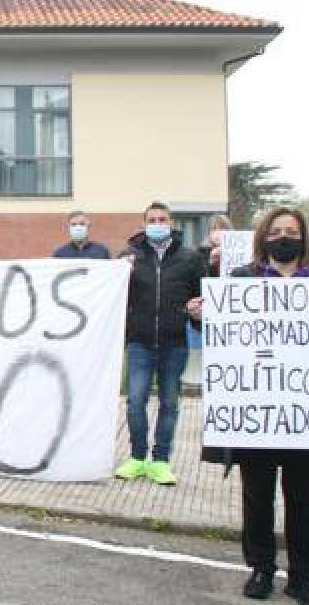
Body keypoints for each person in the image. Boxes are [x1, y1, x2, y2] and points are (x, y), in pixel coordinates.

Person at [195, 207, 309, 605]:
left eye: (292, 231)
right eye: (277, 231)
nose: (284, 237)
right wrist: (200, 315)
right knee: (257, 496)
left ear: (304, 238)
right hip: (256, 414)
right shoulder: (243, 280)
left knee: (303, 500)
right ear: (264, 237)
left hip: (302, 415)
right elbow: (222, 332)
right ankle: (261, 568)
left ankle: (302, 576)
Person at [113, 201, 205, 486]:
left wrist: (196, 315)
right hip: (139, 342)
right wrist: (120, 274)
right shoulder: (128, 256)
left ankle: (161, 461)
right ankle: (138, 457)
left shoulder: (189, 259)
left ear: (171, 222)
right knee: (135, 402)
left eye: (162, 219)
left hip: (174, 343)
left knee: (169, 404)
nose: (157, 223)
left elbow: (202, 299)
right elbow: (114, 298)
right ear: (144, 223)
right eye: (151, 219)